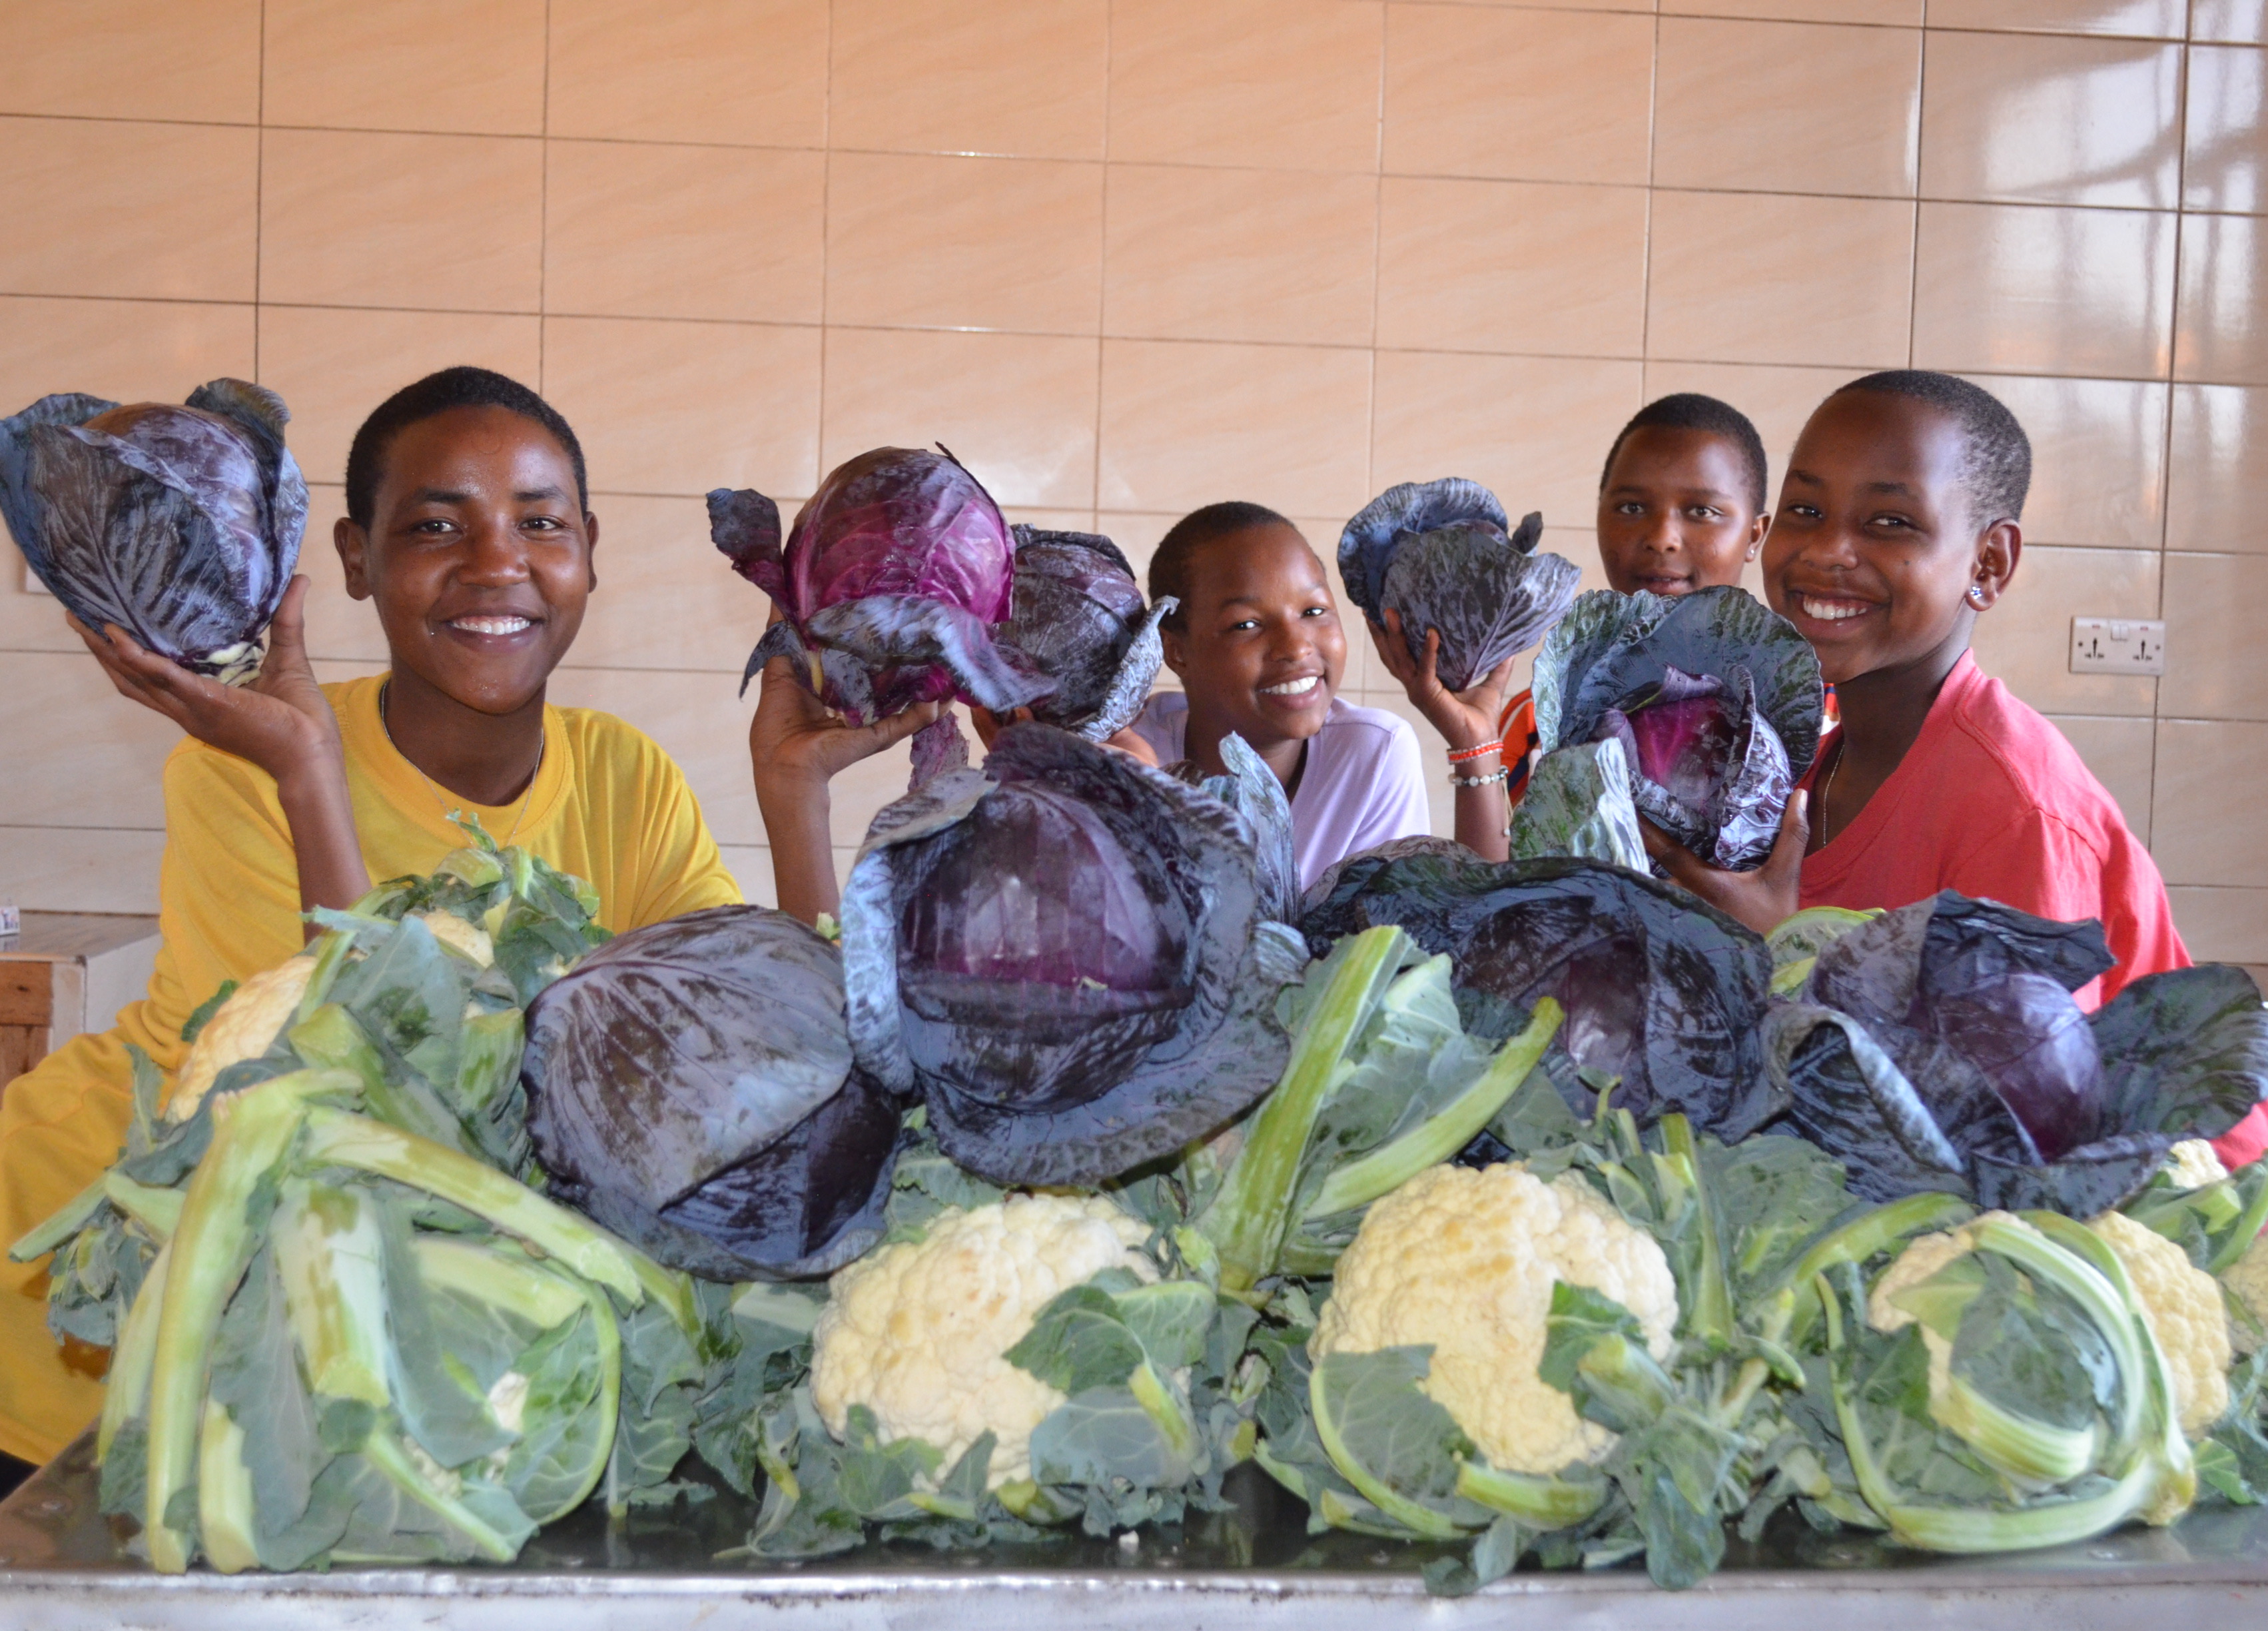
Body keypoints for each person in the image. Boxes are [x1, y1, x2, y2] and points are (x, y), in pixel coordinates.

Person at [0, 366, 925, 1470]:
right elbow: (353, 1099)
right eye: (438, 525)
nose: (497, 562)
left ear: (589, 546)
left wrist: (795, 800)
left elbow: (777, 1071)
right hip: (71, 1292)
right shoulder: (247, 764)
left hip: (301, 1347)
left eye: (539, 522)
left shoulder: (623, 777)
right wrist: (305, 770)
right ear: (357, 558)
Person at [1644, 370, 2268, 1178]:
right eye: (1808, 511)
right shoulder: (1813, 758)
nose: (1824, 552)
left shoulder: (2014, 808)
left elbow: (2023, 1144)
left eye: (1890, 522)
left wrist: (1772, 951)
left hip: (2177, 1246)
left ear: (1988, 562)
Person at [1372, 393, 1773, 861]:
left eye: (1702, 511)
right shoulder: (1541, 716)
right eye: (1630, 508)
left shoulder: (1815, 718)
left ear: (1754, 535)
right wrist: (1474, 743)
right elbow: (1503, 895)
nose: (1662, 537)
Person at [1128, 502, 1427, 889]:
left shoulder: (1374, 754)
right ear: (1175, 651)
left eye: (1314, 610)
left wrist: (1473, 746)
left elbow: (1404, 930)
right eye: (1246, 624)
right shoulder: (1132, 761)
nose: (1296, 648)